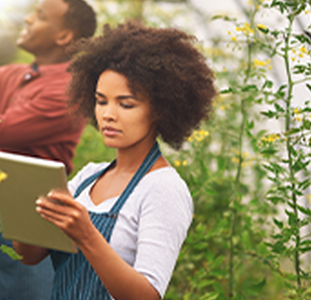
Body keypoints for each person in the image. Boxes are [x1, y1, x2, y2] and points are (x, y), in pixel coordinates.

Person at [12, 22, 217, 300]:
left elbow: (148, 295)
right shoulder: (88, 177)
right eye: (101, 101)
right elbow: (29, 256)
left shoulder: (163, 189)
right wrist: (29, 217)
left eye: (126, 104)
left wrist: (87, 235)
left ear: (159, 108)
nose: (108, 114)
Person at [0, 0, 97, 299]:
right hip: (1, 193)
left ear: (64, 36)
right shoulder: (16, 73)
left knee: (25, 289)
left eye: (40, 16)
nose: (28, 19)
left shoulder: (68, 91)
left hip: (36, 204)